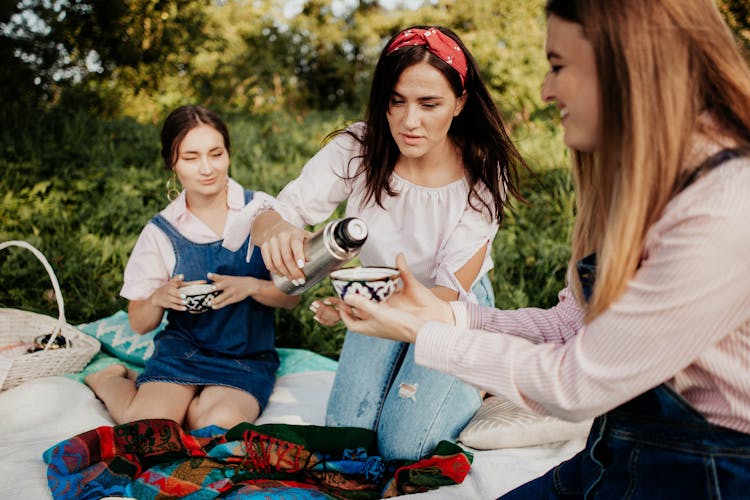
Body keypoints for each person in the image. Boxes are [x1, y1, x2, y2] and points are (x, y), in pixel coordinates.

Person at [334, 0, 750, 497]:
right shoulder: (645, 185)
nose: (545, 90)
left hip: (707, 476)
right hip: (615, 455)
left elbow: (576, 384)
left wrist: (424, 333)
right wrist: (454, 317)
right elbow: (565, 329)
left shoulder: (725, 207)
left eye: (557, 66)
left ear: (629, 64)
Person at [222, 25, 529, 460]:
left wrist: (364, 310)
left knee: (407, 446)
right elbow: (276, 212)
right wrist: (277, 230)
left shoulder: (481, 171)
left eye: (429, 104)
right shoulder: (358, 147)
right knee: (350, 439)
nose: (410, 121)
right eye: (396, 100)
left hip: (449, 306)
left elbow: (443, 292)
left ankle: (480, 380)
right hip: (378, 292)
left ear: (460, 102)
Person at [85, 105, 299, 431]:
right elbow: (139, 323)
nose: (206, 168)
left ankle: (186, 401)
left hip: (246, 357)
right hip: (183, 352)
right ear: (172, 163)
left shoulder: (261, 211)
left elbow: (291, 297)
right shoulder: (161, 232)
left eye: (216, 154)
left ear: (228, 153)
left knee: (216, 426)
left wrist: (252, 287)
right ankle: (108, 378)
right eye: (190, 157)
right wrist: (158, 298)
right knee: (149, 427)